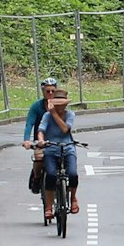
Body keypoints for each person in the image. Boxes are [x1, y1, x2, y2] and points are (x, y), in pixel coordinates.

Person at [37, 89, 80, 219]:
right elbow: (41, 130)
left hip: (68, 149)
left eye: (62, 105)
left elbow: (65, 129)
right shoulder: (47, 116)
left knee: (73, 174)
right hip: (51, 149)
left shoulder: (70, 115)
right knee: (50, 175)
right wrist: (41, 141)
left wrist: (54, 113)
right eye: (57, 104)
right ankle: (49, 207)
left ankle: (73, 199)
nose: (60, 107)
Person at [23, 77, 57, 196]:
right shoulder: (36, 106)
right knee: (39, 158)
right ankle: (37, 178)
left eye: (53, 91)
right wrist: (26, 140)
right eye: (48, 91)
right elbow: (30, 123)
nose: (50, 93)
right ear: (43, 91)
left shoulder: (60, 105)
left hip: (56, 140)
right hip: (41, 140)